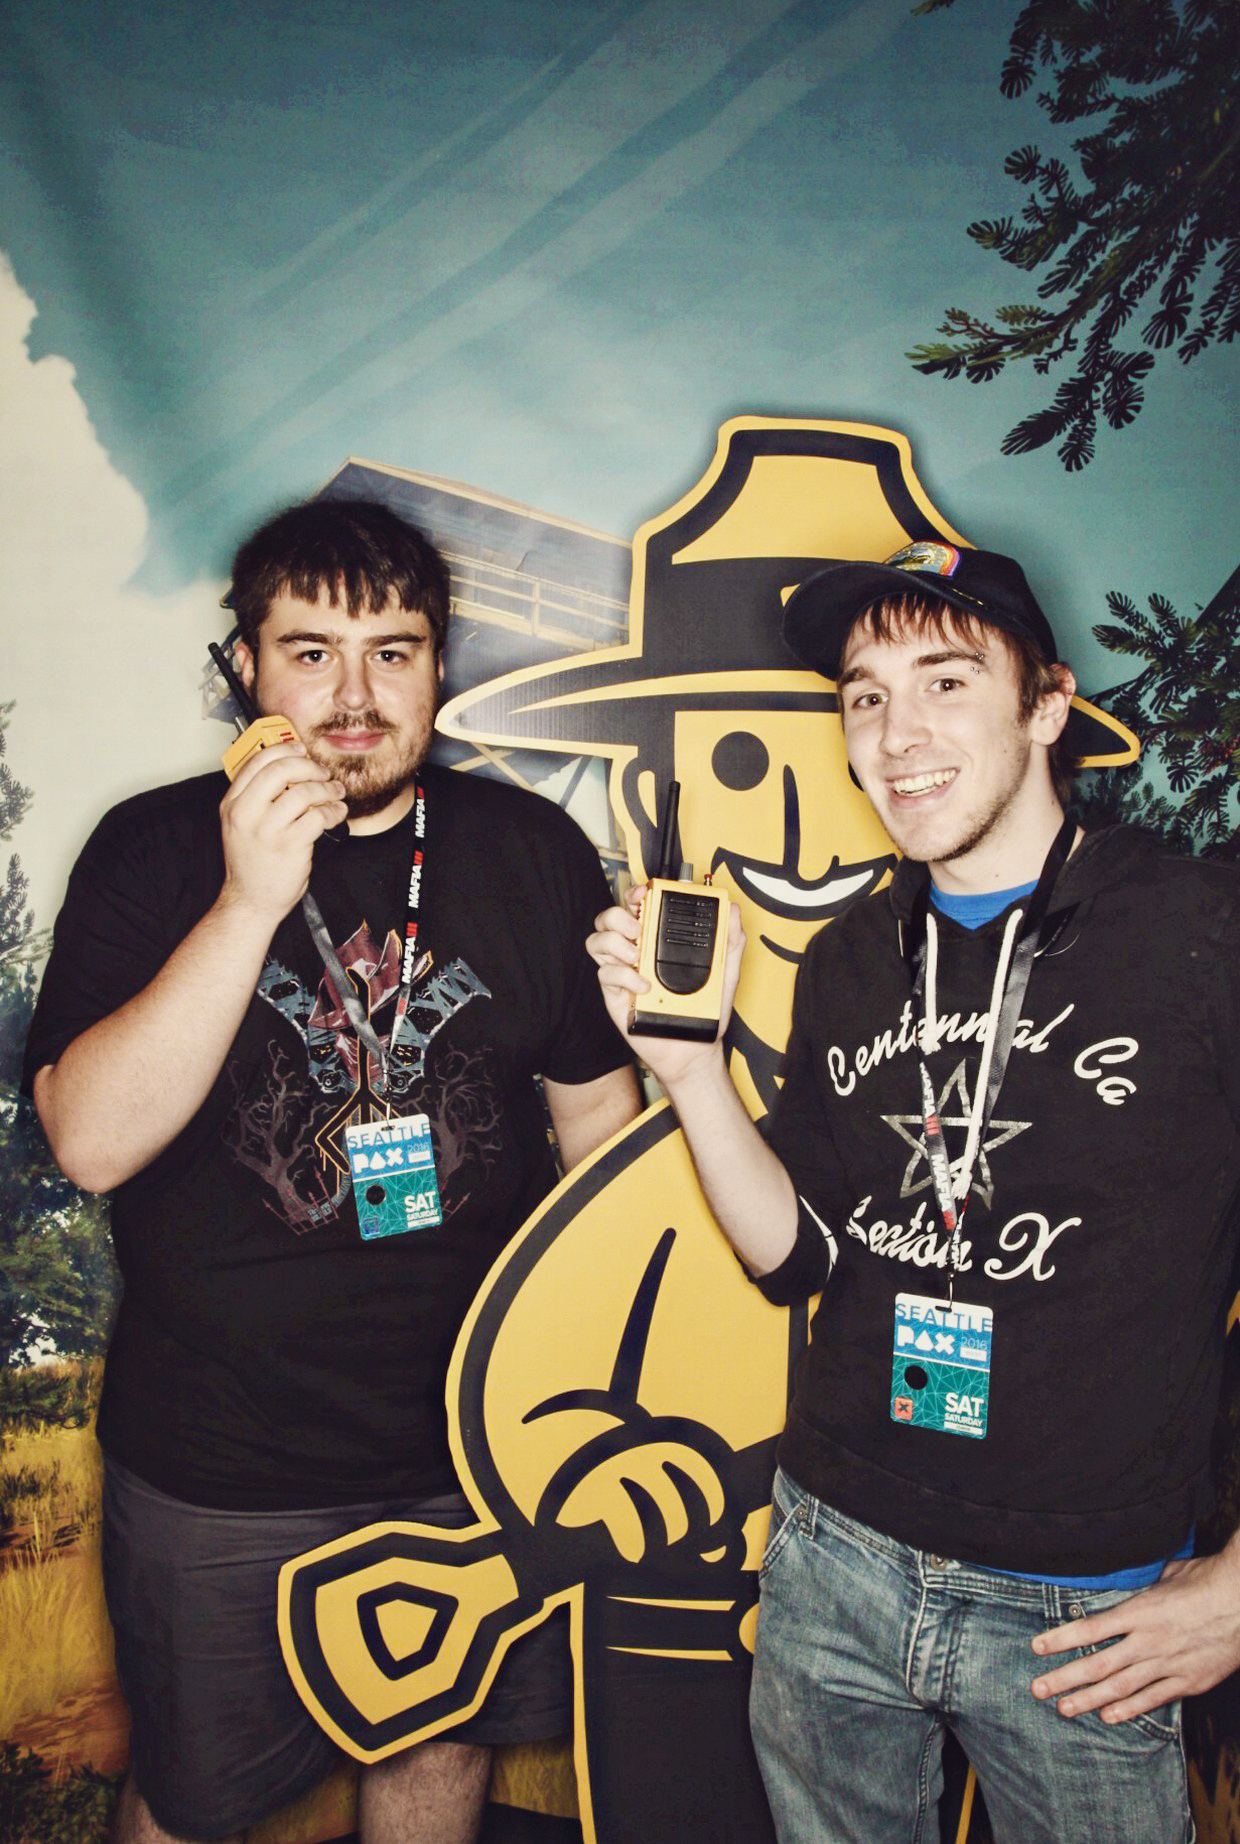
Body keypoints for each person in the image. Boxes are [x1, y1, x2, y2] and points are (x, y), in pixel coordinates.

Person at [587, 540, 1240, 1843]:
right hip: (835, 1555)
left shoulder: (1202, 931)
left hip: (1084, 1612)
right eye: (866, 696)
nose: (897, 736)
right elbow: (798, 1257)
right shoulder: (852, 955)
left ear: (1046, 705)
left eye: (946, 682)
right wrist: (690, 1074)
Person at [25, 497, 641, 1844]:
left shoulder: (533, 852)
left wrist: (586, 1392)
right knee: (191, 1800)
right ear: (245, 666)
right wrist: (250, 897)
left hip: (477, 1448)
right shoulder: (151, 850)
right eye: (311, 654)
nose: (355, 698)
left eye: (392, 653)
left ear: (438, 666)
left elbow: (599, 1124)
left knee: (440, 1749)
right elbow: (90, 1140)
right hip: (224, 1466)